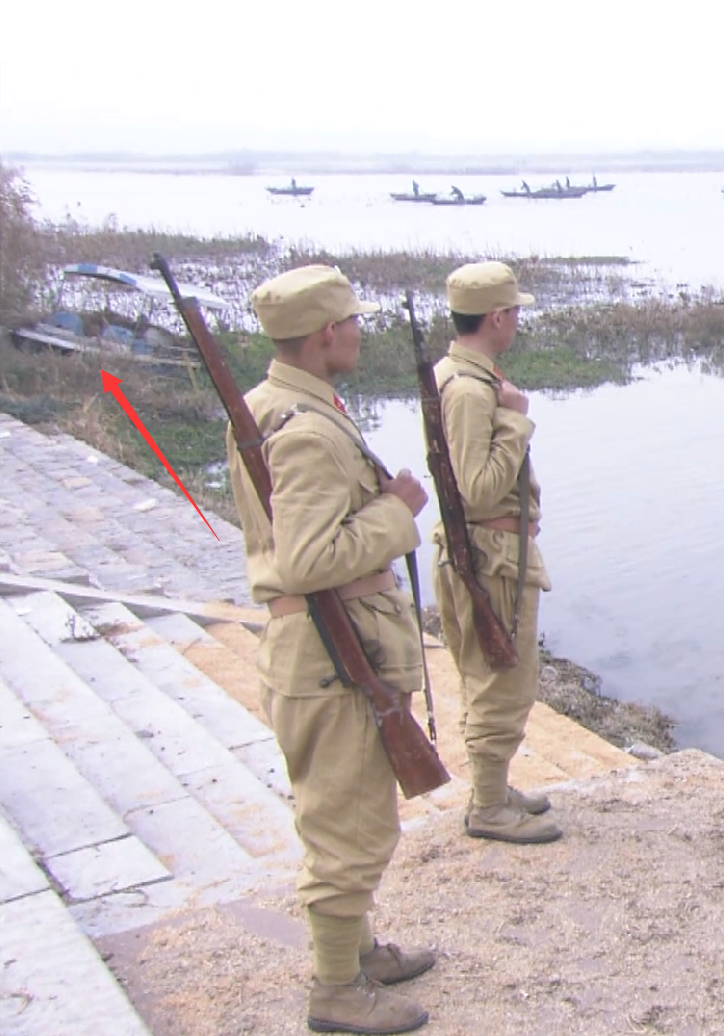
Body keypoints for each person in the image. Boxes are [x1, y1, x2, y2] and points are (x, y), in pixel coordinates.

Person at [227, 265, 435, 1034]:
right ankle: (336, 990)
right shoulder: (308, 429)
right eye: (350, 322)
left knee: (352, 810)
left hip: (325, 648)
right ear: (324, 333)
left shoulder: (272, 405)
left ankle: (357, 952)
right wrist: (396, 511)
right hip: (328, 657)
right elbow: (310, 560)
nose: (358, 332)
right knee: (347, 827)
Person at [431, 261, 560, 845]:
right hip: (492, 558)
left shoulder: (462, 376)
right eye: (514, 313)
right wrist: (515, 420)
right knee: (501, 677)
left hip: (490, 552)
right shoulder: (469, 390)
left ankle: (493, 786)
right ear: (498, 317)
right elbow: (478, 488)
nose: (517, 324)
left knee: (494, 672)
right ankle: (486, 805)